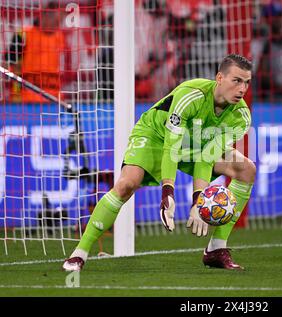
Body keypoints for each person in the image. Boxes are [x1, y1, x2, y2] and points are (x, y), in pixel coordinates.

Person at [63, 54, 255, 271]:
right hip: (156, 135)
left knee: (246, 169)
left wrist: (197, 201)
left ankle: (216, 250)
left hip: (195, 147)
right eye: (236, 81)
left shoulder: (241, 117)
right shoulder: (191, 96)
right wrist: (168, 192)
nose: (242, 89)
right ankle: (79, 253)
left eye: (247, 82)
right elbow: (171, 147)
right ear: (220, 78)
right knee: (127, 185)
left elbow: (206, 156)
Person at [4, 1, 66, 103]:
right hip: (26, 101)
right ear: (45, 16)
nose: (58, 26)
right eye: (57, 22)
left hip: (52, 101)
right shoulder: (23, 35)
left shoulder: (59, 37)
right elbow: (9, 65)